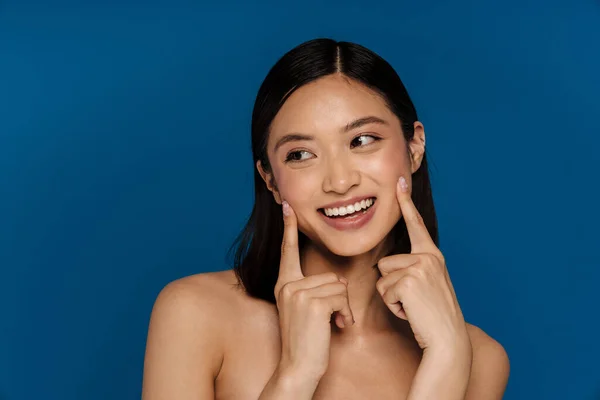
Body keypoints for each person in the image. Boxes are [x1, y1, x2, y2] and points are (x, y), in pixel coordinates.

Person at [141, 38, 510, 399]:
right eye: (300, 154)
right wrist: (296, 374)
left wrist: (447, 358)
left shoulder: (479, 358)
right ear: (270, 179)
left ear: (414, 147)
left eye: (363, 140)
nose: (339, 181)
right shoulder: (195, 314)